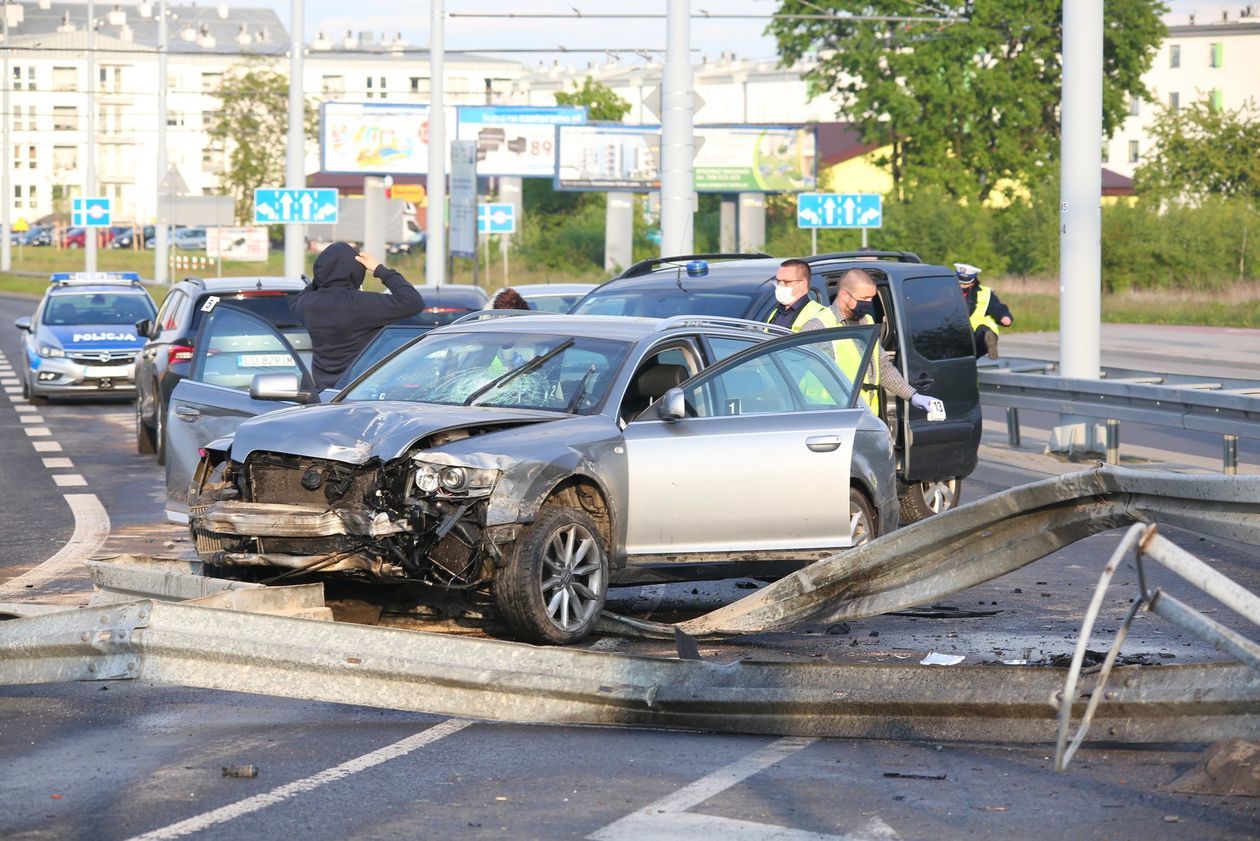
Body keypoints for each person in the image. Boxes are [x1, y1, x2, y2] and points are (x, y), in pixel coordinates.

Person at [800, 268, 938, 417]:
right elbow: (795, 371)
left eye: (871, 298)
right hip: (830, 417)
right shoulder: (819, 326)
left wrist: (912, 395)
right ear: (845, 295)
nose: (869, 303)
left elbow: (881, 366)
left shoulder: (866, 323)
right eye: (864, 298)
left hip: (866, 417)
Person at [291, 242, 426, 390]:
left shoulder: (308, 305)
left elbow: (295, 301)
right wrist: (380, 270)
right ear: (356, 271)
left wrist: (323, 277)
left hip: (324, 393)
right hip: (358, 391)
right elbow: (413, 301)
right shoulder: (361, 303)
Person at [954, 262, 1012, 359]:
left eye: (965, 283)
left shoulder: (985, 293)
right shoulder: (948, 292)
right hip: (958, 333)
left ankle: (988, 340)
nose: (961, 285)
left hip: (976, 333)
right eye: (959, 282)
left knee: (982, 333)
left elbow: (997, 307)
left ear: (973, 282)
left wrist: (1004, 316)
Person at [766, 258, 833, 331]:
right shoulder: (776, 312)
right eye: (778, 281)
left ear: (803, 284)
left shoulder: (819, 314)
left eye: (786, 282)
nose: (780, 286)